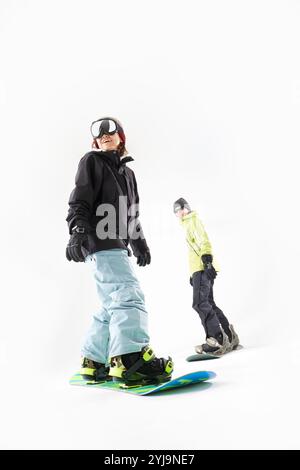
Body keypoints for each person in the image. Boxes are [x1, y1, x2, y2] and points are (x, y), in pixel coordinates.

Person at [66, 117, 173, 385]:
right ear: (95, 142)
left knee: (110, 303)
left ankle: (94, 361)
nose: (104, 135)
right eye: (98, 134)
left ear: (121, 136)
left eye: (109, 131)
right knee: (128, 296)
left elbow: (131, 214)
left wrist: (140, 243)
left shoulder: (128, 173)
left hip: (118, 244)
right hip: (101, 240)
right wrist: (77, 231)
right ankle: (130, 360)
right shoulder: (92, 161)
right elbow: (79, 199)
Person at [173, 197, 239, 356]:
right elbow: (194, 249)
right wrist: (193, 274)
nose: (178, 213)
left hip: (203, 268)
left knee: (200, 303)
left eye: (179, 209)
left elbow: (204, 241)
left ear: (185, 209)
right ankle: (229, 337)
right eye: (175, 211)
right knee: (208, 302)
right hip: (199, 269)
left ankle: (216, 340)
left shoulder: (192, 221)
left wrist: (207, 262)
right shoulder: (188, 223)